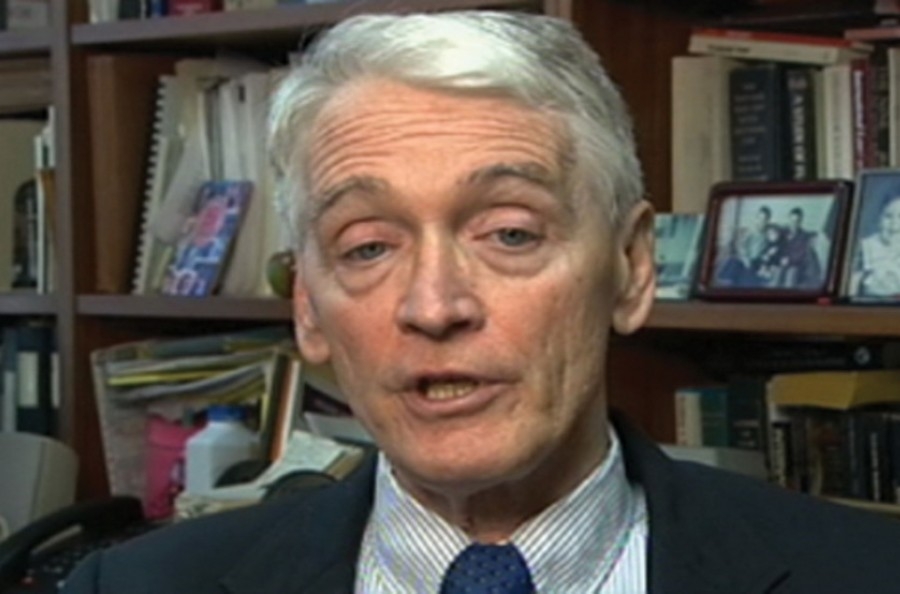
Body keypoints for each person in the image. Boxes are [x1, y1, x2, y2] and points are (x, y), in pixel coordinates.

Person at [63, 11, 900, 594]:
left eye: (509, 233)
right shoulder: (133, 587)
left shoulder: (868, 575)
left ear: (631, 269)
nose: (435, 306)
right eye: (368, 246)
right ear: (308, 307)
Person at [852, 193, 900, 298]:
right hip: (873, 304)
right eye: (888, 216)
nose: (894, 224)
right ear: (879, 219)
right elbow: (852, 284)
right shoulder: (866, 247)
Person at [778, 207, 822, 290]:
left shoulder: (803, 236)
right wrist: (780, 258)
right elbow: (777, 245)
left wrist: (789, 260)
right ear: (788, 219)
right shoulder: (782, 231)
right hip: (781, 262)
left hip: (795, 264)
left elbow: (801, 254)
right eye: (792, 221)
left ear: (801, 221)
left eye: (797, 221)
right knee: (777, 273)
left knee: (791, 275)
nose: (794, 224)